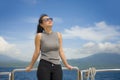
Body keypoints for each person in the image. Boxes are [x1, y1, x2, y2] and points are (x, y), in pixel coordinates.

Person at [26, 14, 73, 80]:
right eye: (46, 20)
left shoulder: (58, 35)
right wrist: (30, 66)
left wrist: (66, 65)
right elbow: (36, 52)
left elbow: (61, 51)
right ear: (41, 24)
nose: (49, 20)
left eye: (50, 19)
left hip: (57, 66)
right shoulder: (39, 36)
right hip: (44, 66)